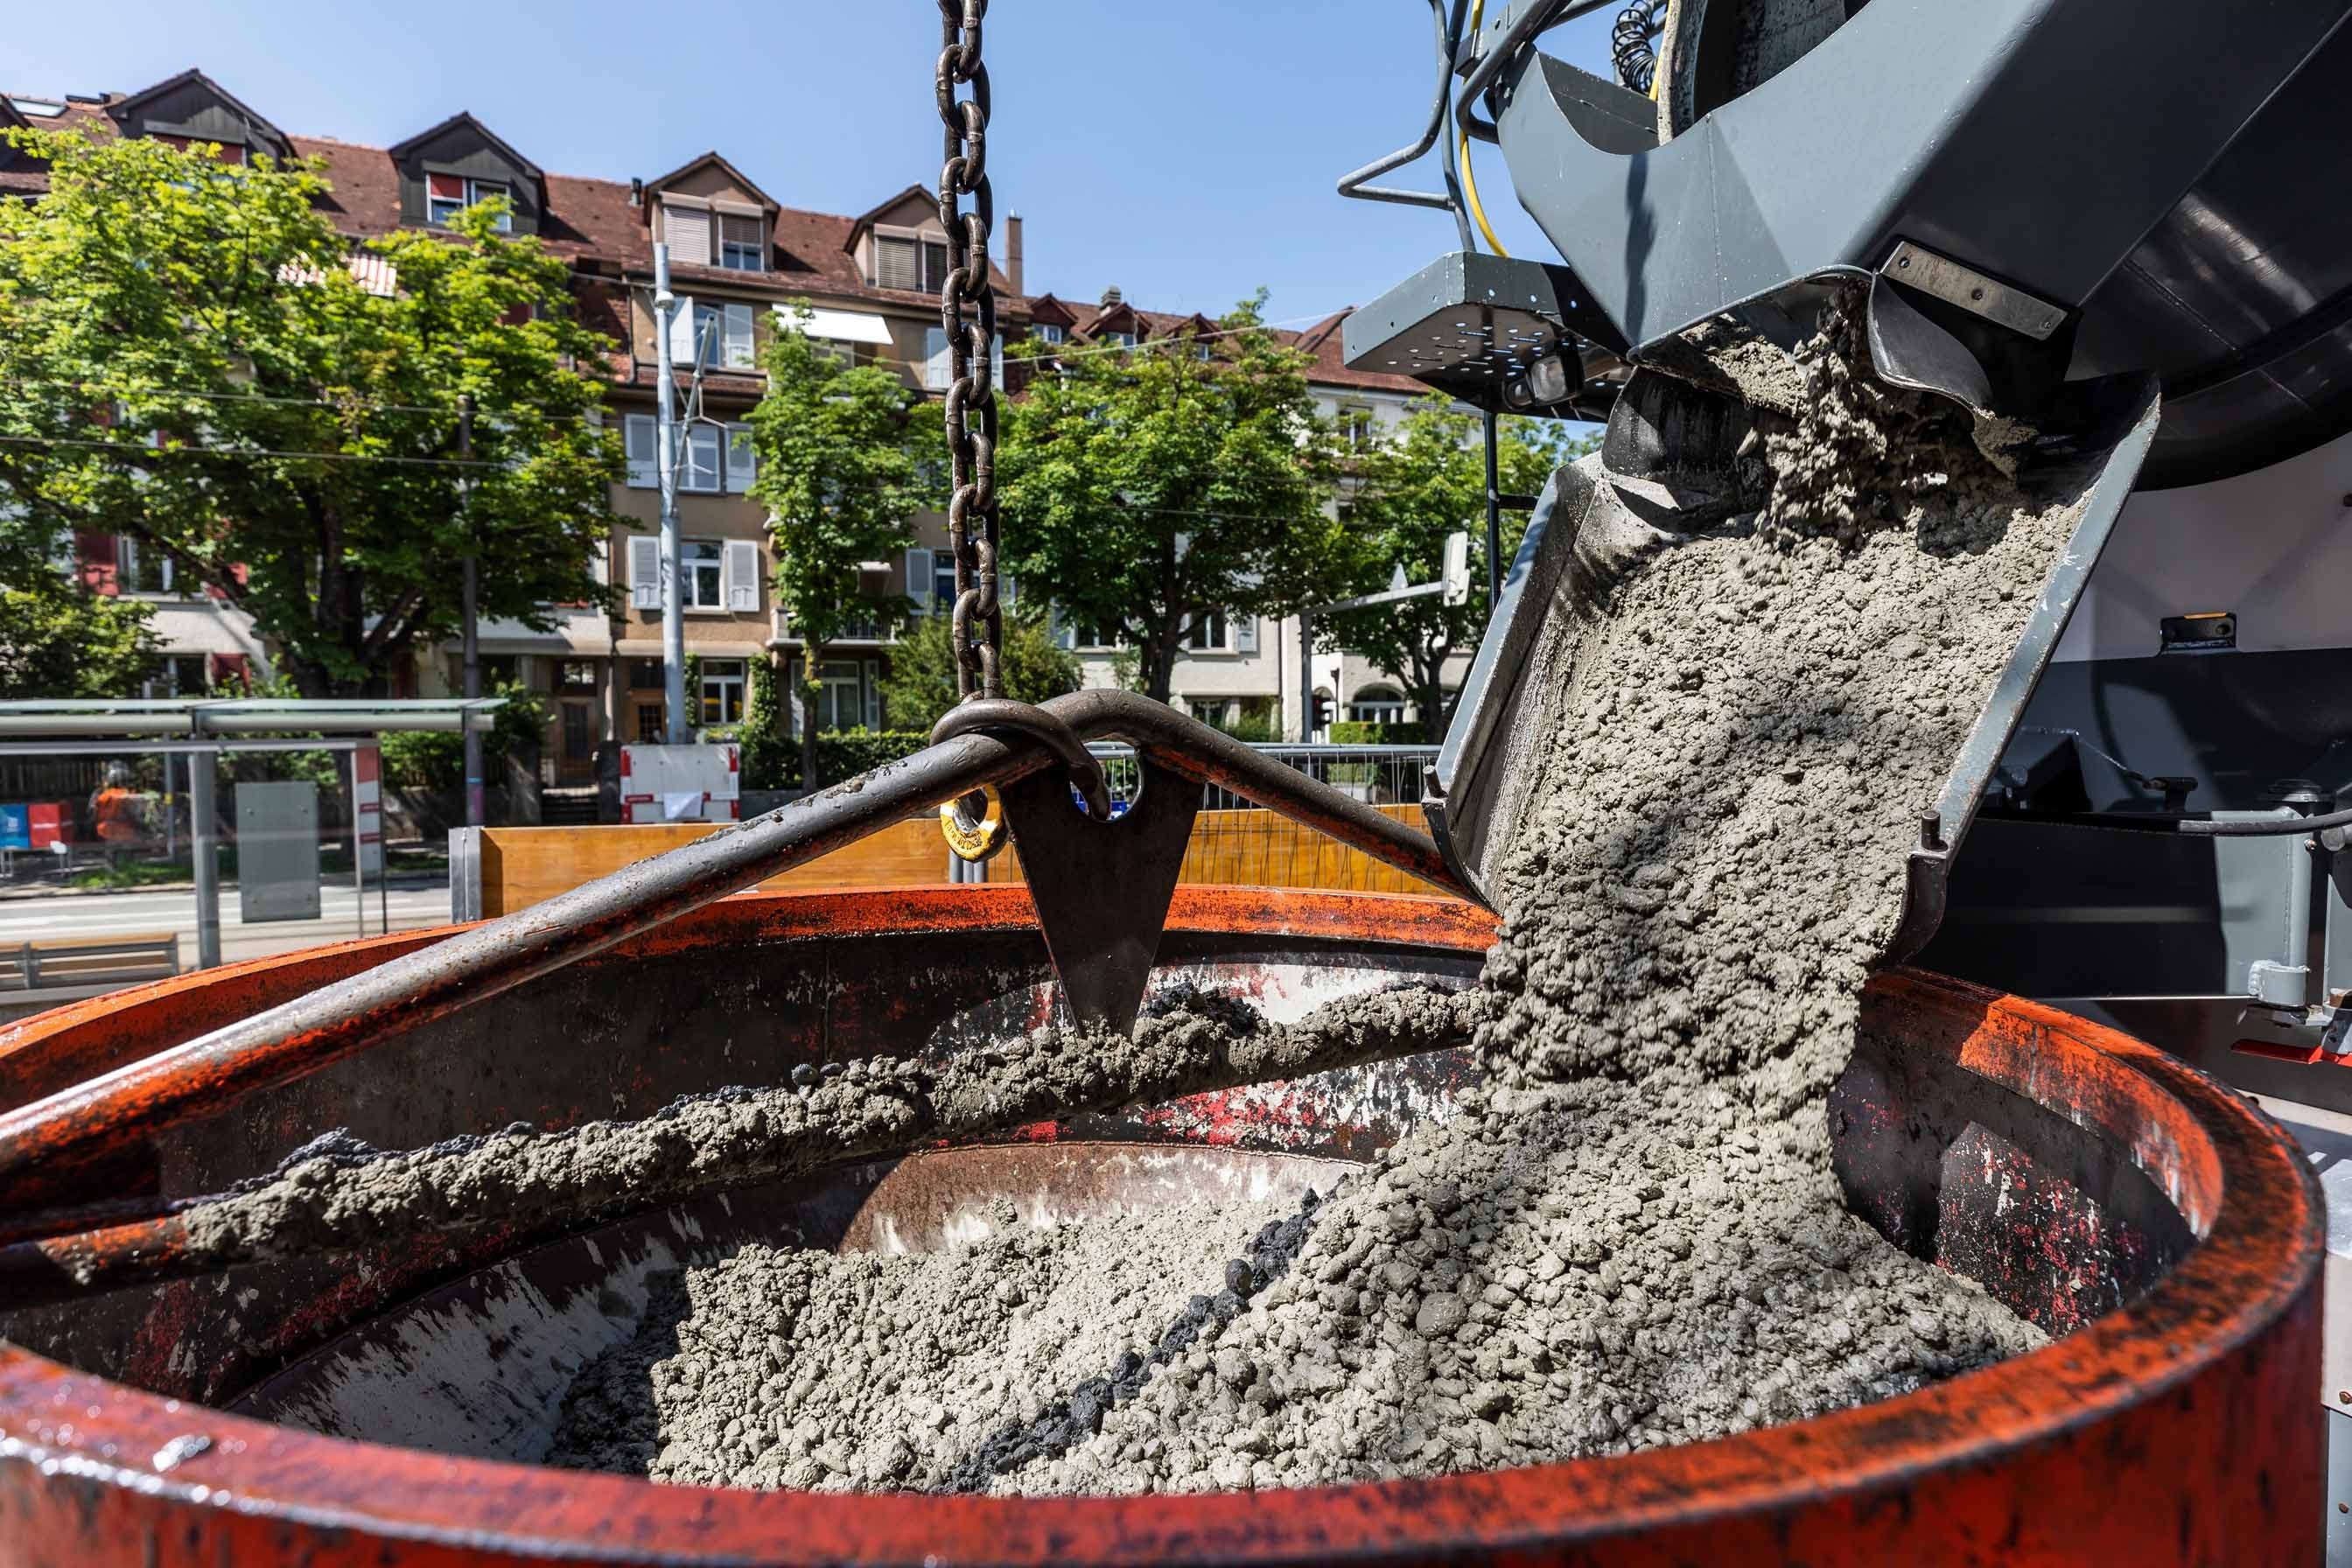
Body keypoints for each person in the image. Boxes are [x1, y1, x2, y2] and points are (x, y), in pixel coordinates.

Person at [91, 762, 144, 848]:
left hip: (104, 831)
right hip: (125, 832)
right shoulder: (127, 794)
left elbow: (92, 813)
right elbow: (135, 814)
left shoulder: (99, 793)